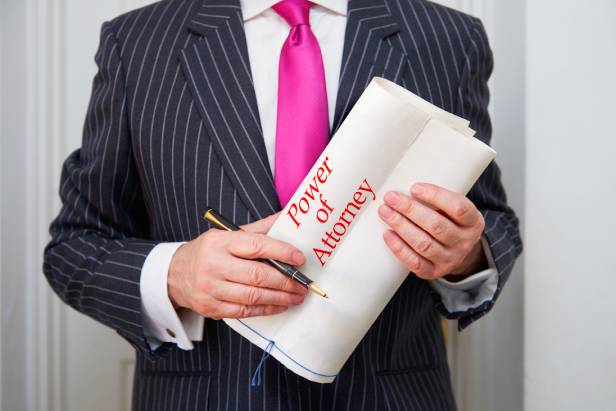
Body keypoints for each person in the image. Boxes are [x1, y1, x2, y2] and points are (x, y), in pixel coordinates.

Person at [43, 0, 522, 409]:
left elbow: (489, 218)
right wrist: (174, 274)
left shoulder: (449, 38)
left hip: (391, 395)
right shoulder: (138, 42)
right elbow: (75, 245)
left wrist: (464, 255)